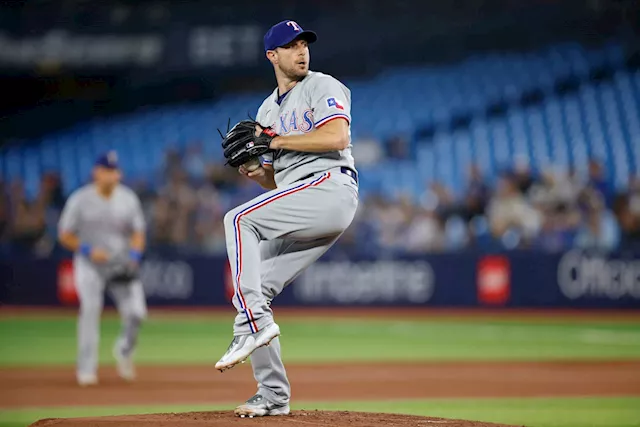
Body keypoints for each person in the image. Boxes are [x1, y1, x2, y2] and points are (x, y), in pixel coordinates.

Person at [215, 20, 359, 418]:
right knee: (255, 287)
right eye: (290, 46)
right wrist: (257, 173)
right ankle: (273, 395)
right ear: (272, 56)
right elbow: (280, 182)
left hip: (330, 188)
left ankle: (252, 324)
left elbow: (336, 139)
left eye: (303, 44)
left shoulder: (321, 85)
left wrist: (274, 141)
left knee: (237, 219)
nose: (301, 51)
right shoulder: (266, 110)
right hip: (304, 195)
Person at [57, 151, 147, 386]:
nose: (113, 175)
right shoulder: (80, 199)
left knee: (136, 313)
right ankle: (86, 369)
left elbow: (138, 232)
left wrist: (135, 255)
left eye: (116, 171)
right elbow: (65, 234)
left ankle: (124, 350)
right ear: (96, 172)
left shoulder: (128, 198)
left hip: (120, 263)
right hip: (90, 265)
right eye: (108, 171)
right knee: (90, 310)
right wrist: (87, 250)